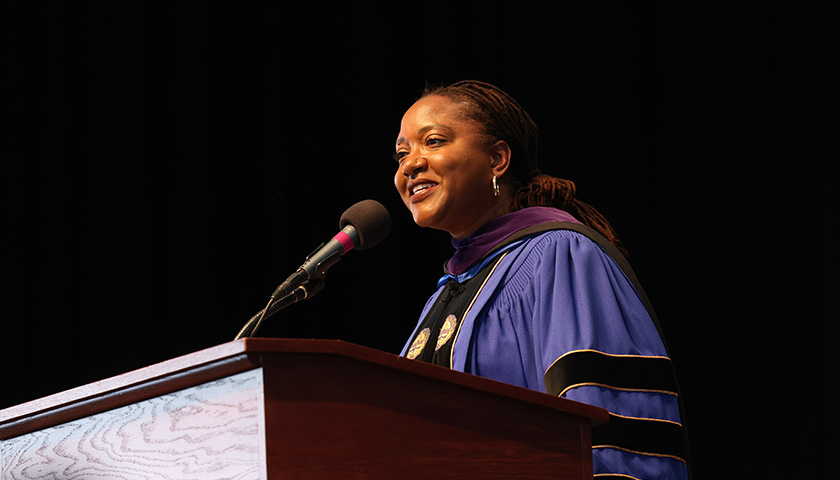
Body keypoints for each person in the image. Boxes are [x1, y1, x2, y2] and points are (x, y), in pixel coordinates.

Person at [393, 80, 690, 479]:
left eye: (433, 141)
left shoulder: (560, 255)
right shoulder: (445, 296)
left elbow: (610, 434)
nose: (409, 164)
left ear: (498, 159)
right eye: (401, 153)